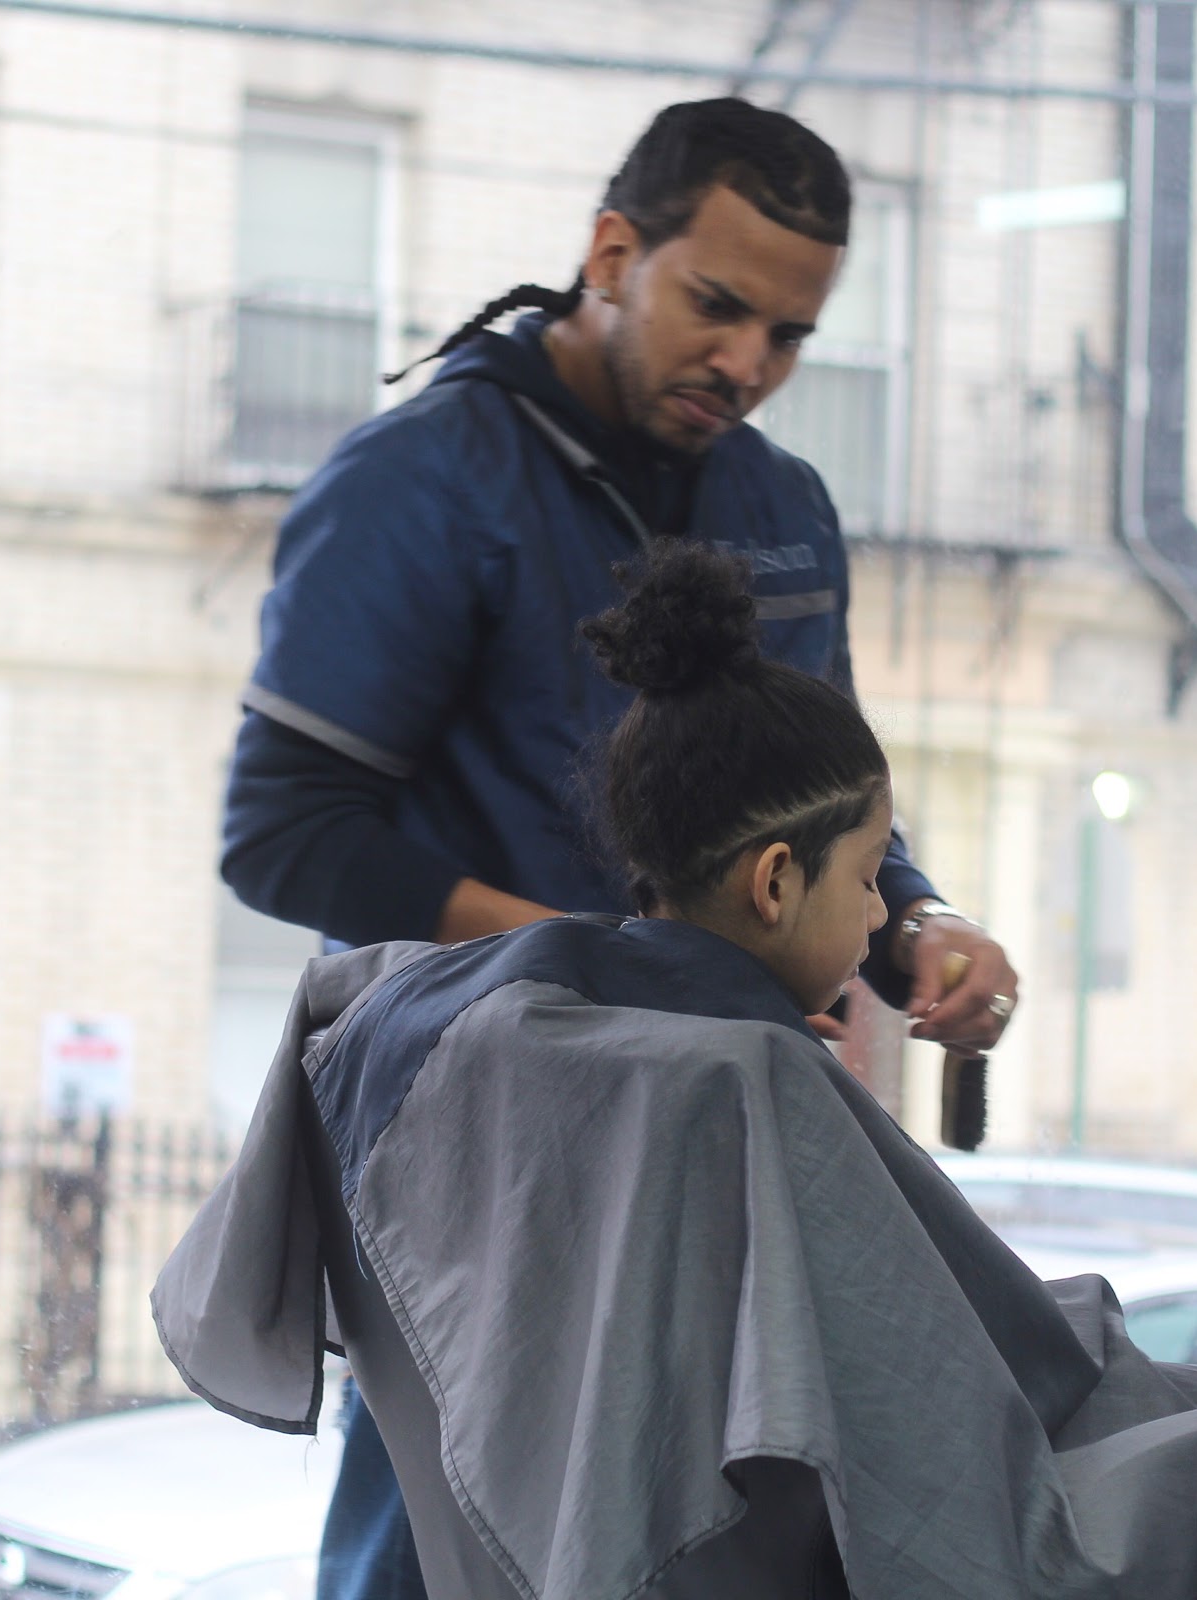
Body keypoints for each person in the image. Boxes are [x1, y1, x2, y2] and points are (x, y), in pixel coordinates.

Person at [157, 542, 1197, 1600]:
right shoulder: (740, 1086)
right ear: (772, 880)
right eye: (871, 877)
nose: (879, 922)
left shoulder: (471, 1028)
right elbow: (950, 1421)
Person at [220, 98, 1021, 1600]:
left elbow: (822, 793)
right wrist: (599, 970)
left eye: (789, 336)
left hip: (705, 1125)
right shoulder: (423, 484)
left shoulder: (779, 503)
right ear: (611, 253)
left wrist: (916, 923)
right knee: (450, 1551)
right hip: (478, 1145)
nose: (749, 365)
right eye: (717, 307)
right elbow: (287, 837)